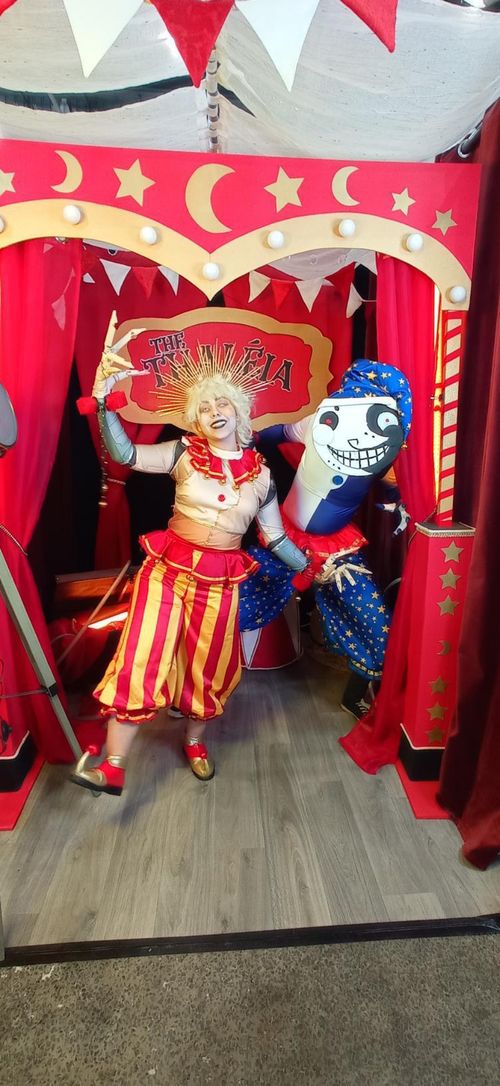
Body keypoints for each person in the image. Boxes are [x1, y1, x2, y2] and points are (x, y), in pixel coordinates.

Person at [70, 346, 308, 796]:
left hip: (221, 579)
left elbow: (275, 538)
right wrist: (103, 402)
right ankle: (113, 765)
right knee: (141, 651)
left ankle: (195, 742)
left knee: (209, 665)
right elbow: (126, 454)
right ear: (195, 420)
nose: (213, 412)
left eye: (221, 403)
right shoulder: (182, 452)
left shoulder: (262, 476)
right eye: (203, 407)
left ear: (239, 412)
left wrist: (314, 565)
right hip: (168, 568)